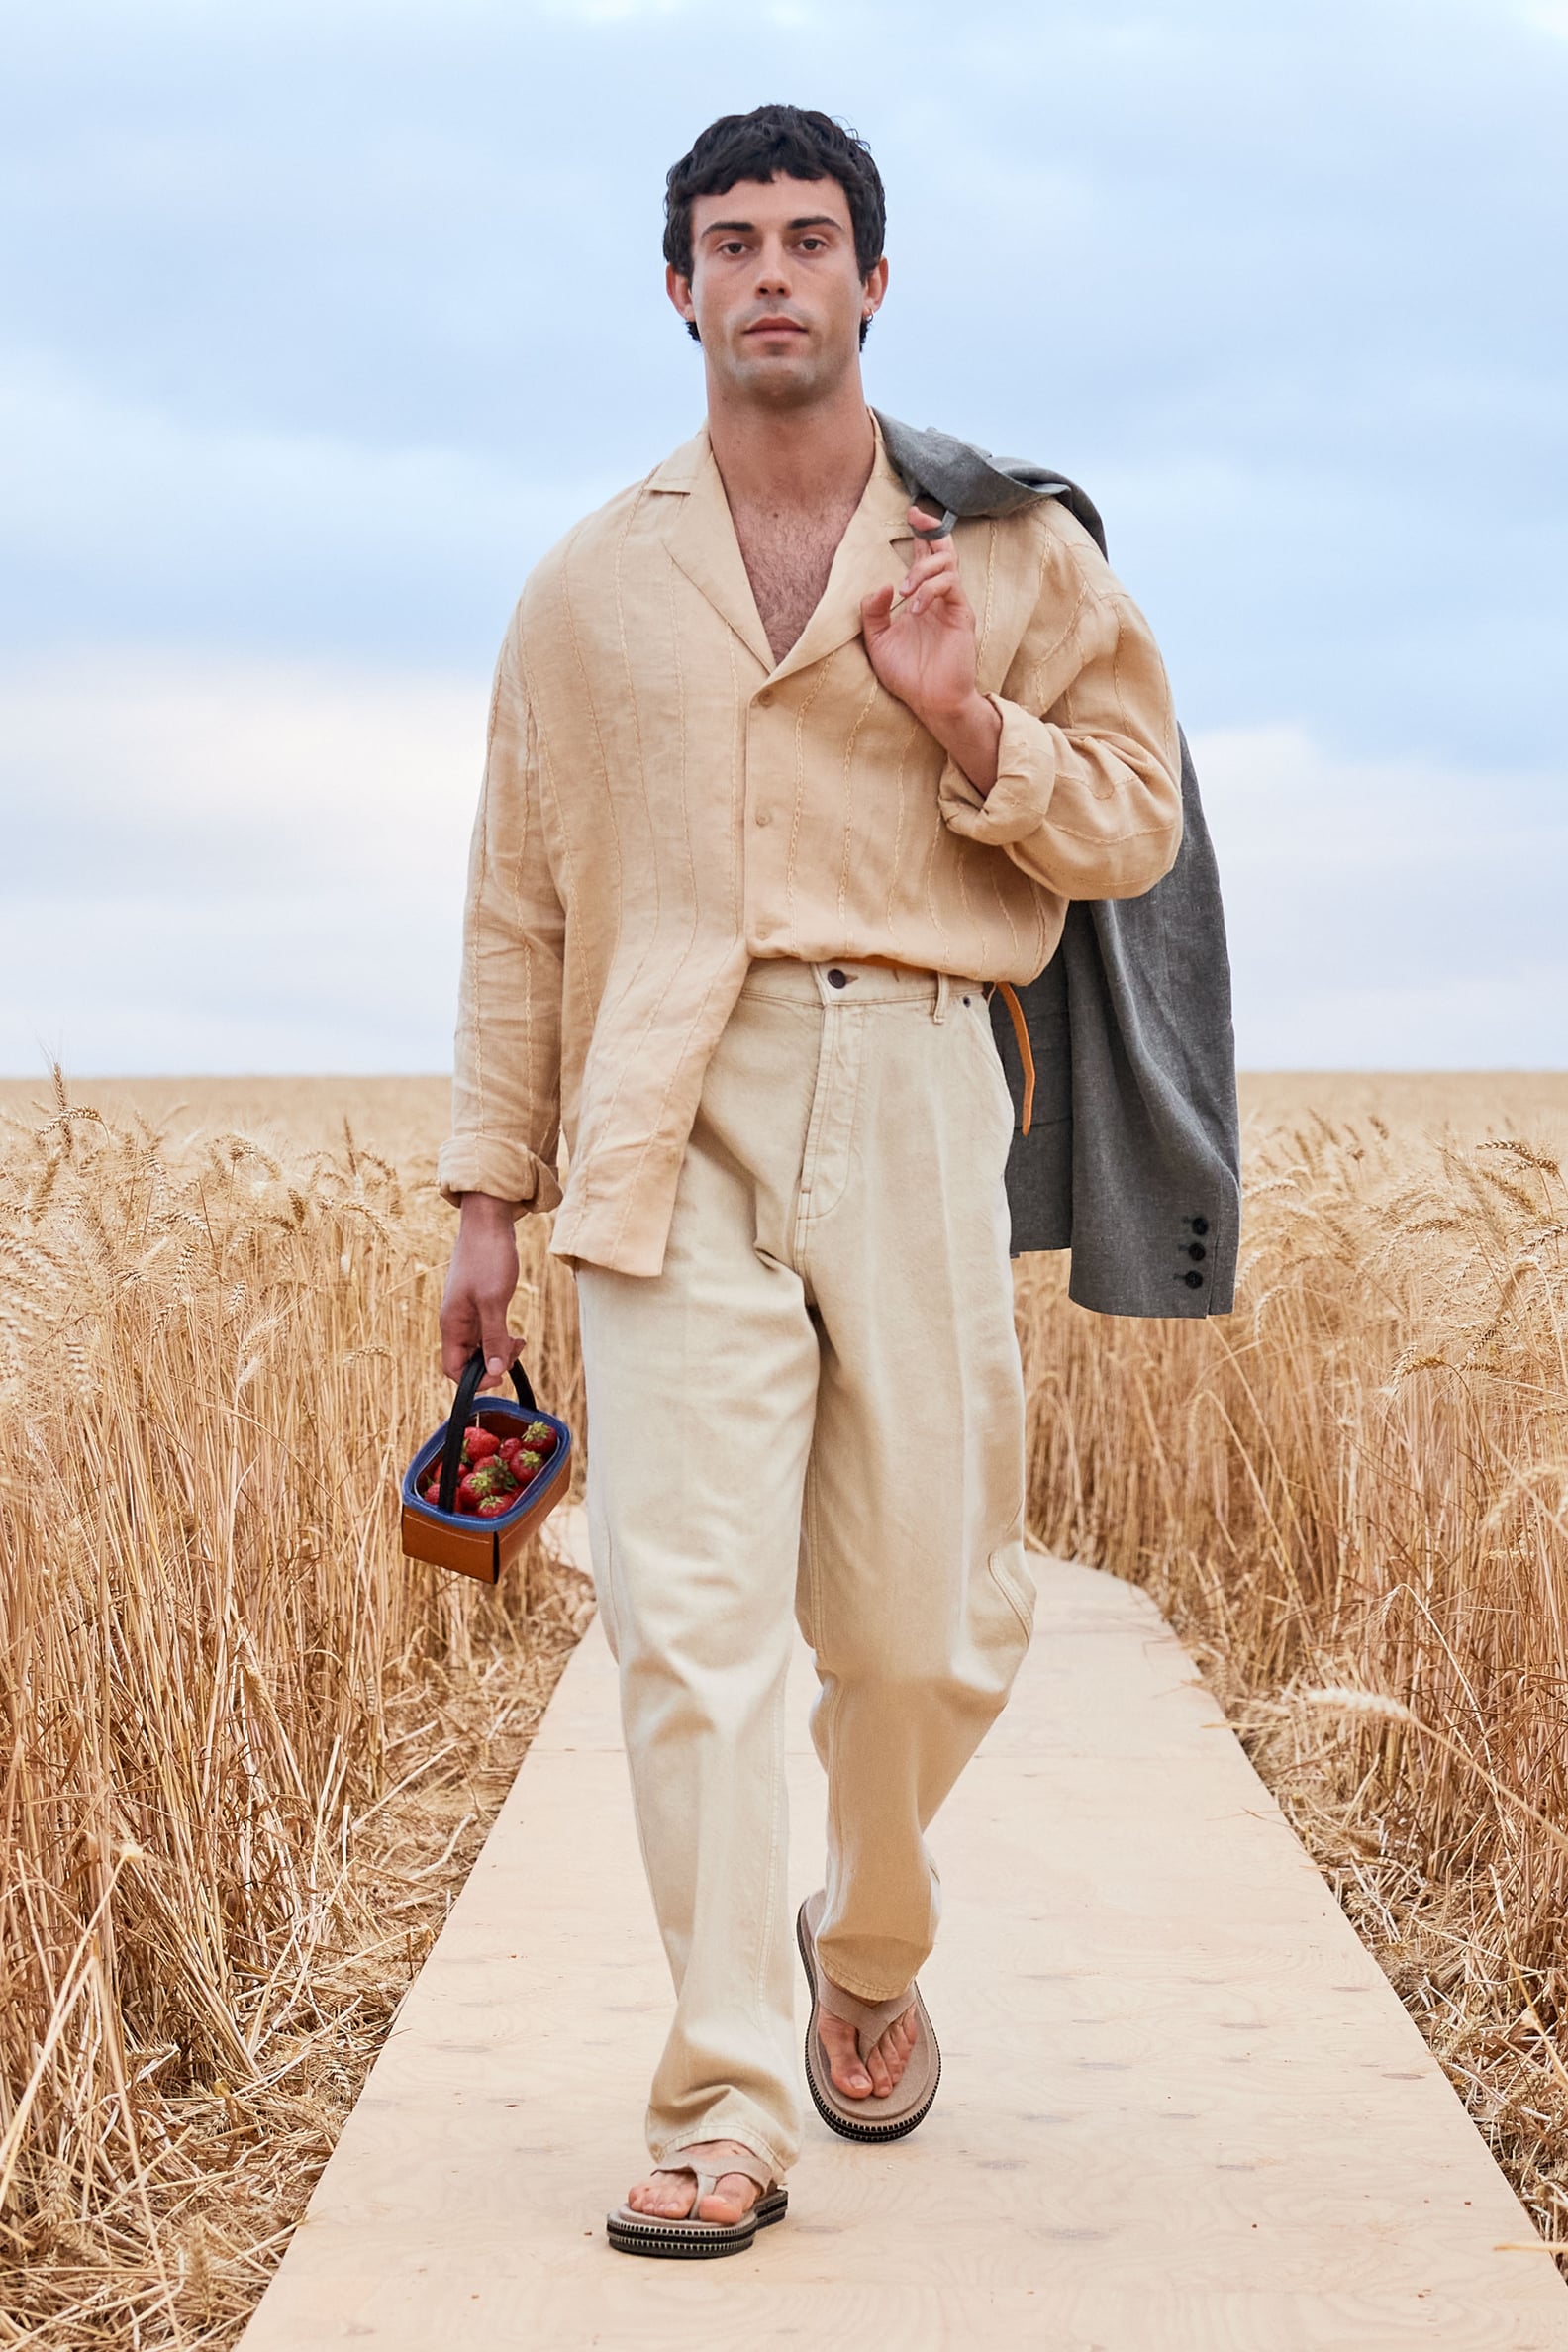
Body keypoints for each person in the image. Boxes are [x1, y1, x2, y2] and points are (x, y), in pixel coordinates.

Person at [437, 102, 1183, 2257]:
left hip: (928, 1077)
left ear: (874, 281)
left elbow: (1130, 824)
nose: (773, 273)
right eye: (733, 243)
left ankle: (871, 1942)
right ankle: (723, 2098)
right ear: (677, 288)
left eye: (813, 239)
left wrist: (974, 732)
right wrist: (484, 1198)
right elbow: (518, 909)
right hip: (668, 1109)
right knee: (686, 1630)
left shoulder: (1010, 554)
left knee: (931, 1624)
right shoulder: (585, 583)